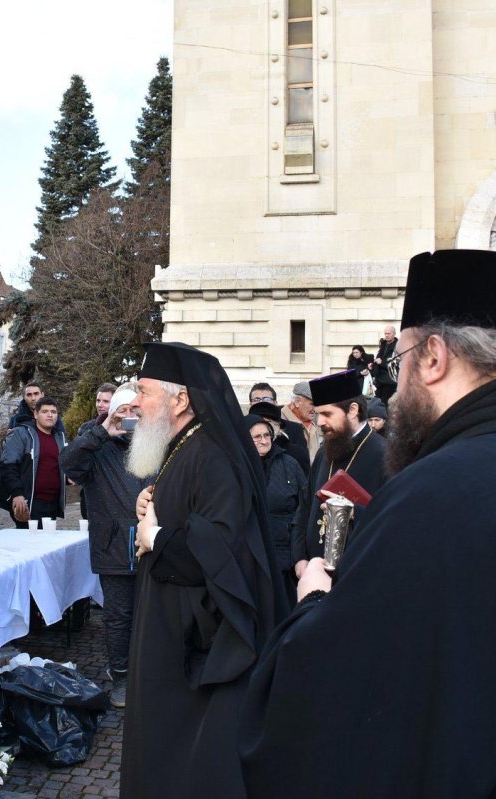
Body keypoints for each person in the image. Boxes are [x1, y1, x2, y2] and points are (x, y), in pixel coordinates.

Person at [240, 250, 496, 797]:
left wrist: (312, 601)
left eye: (398, 361)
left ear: (433, 357)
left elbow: (351, 709)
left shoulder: (443, 490)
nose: (394, 387)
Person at [121, 342, 282, 799]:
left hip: (189, 637)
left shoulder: (212, 455)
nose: (135, 401)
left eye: (143, 391)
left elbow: (223, 548)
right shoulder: (182, 447)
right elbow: (187, 512)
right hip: (164, 619)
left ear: (180, 399)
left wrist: (157, 539)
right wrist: (151, 506)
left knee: (180, 751)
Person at [61, 384, 148, 708]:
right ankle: (121, 675)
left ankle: (148, 672)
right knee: (118, 616)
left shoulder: (153, 442)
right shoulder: (95, 444)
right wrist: (102, 432)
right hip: (113, 546)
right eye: (121, 412)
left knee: (150, 614)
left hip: (151, 546)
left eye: (133, 411)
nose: (128, 418)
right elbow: (68, 464)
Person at [290, 369, 387, 578]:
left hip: (359, 575)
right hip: (312, 573)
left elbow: (393, 520)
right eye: (317, 414)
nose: (320, 422)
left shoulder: (386, 456)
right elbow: (305, 505)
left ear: (353, 410)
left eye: (327, 414)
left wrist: (354, 512)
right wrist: (300, 558)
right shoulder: (326, 451)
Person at [247, 413, 306, 605]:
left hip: (285, 554)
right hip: (251, 554)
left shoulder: (289, 464)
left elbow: (304, 506)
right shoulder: (237, 466)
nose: (263, 441)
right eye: (257, 437)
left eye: (267, 435)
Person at [0, 396, 66, 527]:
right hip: (29, 501)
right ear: (36, 414)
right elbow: (8, 466)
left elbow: (61, 466)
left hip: (52, 503)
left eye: (53, 412)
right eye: (45, 411)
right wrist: (17, 494)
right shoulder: (21, 433)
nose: (49, 415)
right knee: (29, 544)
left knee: (48, 543)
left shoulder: (60, 437)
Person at [76, 383, 119, 519]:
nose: (100, 405)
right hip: (91, 492)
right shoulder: (86, 428)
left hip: (116, 493)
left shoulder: (123, 428)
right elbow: (77, 456)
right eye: (98, 400)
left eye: (105, 401)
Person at [249, 399, 310, 475]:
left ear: (278, 426)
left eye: (267, 422)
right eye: (258, 423)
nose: (262, 427)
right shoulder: (244, 453)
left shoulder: (295, 453)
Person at [281, 381, 322, 466]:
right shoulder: (280, 423)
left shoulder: (313, 423)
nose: (315, 409)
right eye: (312, 404)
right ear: (297, 402)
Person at [371, 325, 399, 402]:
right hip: (380, 381)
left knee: (386, 404)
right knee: (377, 404)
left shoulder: (398, 346)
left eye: (389, 333)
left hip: (390, 381)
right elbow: (378, 359)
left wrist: (381, 362)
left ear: (394, 334)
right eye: (385, 333)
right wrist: (372, 366)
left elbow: (396, 363)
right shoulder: (383, 345)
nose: (387, 335)